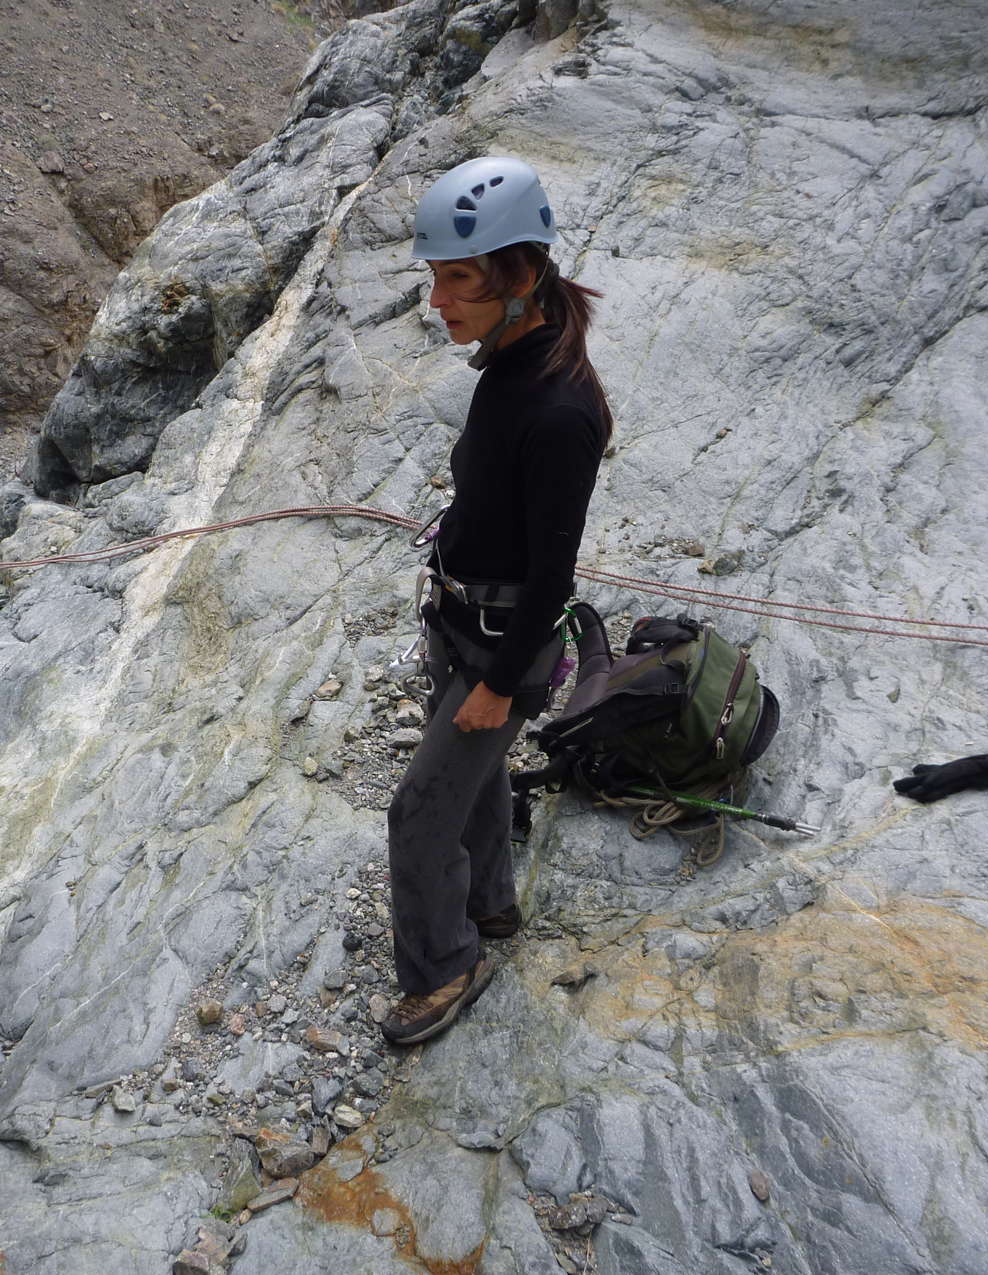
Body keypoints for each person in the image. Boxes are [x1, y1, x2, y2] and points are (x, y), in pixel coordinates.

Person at [382, 157, 613, 1045]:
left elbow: (554, 577)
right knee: (473, 786)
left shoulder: (559, 412)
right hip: (464, 619)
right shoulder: (515, 361)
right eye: (435, 277)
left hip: (500, 647)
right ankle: (490, 905)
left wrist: (498, 686)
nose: (437, 300)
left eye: (457, 280)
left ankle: (446, 966)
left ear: (518, 277)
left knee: (416, 817)